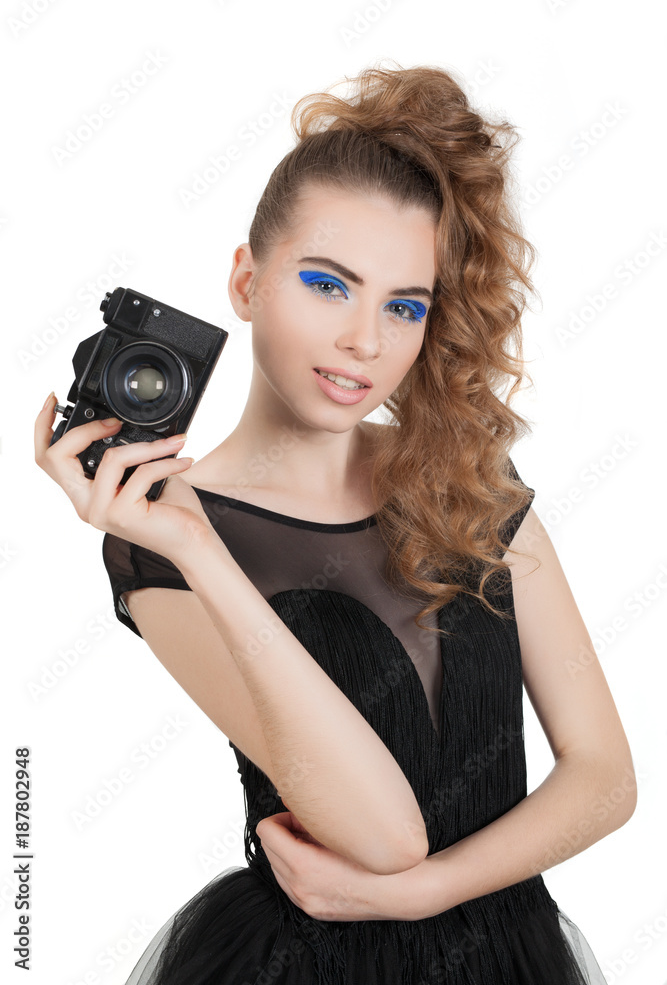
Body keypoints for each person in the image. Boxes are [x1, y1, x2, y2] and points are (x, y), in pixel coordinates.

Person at [35, 61, 635, 985]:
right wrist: (198, 547)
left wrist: (430, 895)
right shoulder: (160, 543)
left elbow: (603, 778)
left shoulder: (467, 477)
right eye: (327, 284)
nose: (366, 340)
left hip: (511, 957)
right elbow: (383, 837)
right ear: (246, 281)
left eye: (404, 305)